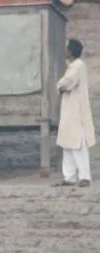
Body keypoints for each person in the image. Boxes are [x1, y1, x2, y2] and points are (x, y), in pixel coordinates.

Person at [56, 39, 95, 188]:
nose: (65, 51)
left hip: (76, 111)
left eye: (67, 49)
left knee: (78, 144)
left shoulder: (77, 66)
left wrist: (59, 85)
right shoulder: (73, 66)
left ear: (71, 52)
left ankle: (84, 176)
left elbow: (66, 82)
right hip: (70, 111)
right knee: (68, 144)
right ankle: (69, 176)